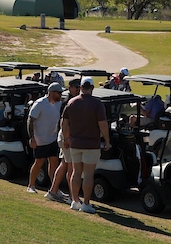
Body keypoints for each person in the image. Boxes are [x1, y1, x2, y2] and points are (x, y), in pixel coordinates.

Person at [61, 77, 111, 214]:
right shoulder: (97, 104)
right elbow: (102, 124)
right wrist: (107, 140)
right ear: (92, 88)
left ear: (81, 87)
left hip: (75, 143)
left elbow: (64, 123)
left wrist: (66, 138)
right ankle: (86, 203)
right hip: (91, 144)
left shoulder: (71, 102)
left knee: (76, 172)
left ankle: (75, 201)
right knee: (88, 174)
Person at [45, 77, 83, 204]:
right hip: (67, 137)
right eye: (75, 87)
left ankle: (53, 191)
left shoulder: (75, 101)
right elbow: (64, 123)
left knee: (65, 164)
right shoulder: (69, 103)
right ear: (70, 88)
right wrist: (67, 138)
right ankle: (73, 197)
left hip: (69, 136)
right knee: (71, 167)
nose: (78, 89)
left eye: (79, 87)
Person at [25, 83, 63, 195]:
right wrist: (32, 138)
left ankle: (54, 188)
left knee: (54, 162)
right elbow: (30, 120)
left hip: (53, 138)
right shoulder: (40, 103)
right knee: (39, 162)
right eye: (58, 93)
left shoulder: (59, 104)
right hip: (40, 139)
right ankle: (31, 185)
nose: (60, 95)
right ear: (51, 93)